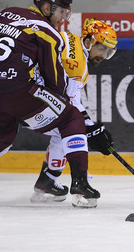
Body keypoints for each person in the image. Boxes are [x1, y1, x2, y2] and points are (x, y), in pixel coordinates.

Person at [0, 0, 99, 208]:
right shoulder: (49, 32)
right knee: (71, 117)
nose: (62, 18)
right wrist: (60, 101)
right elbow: (55, 82)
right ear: (47, 8)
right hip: (17, 91)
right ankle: (80, 185)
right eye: (61, 12)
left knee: (0, 135)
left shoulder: (5, 14)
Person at [31, 19, 118, 205]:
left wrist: (92, 127)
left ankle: (47, 181)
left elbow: (70, 102)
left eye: (108, 52)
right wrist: (92, 129)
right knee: (71, 128)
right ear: (89, 41)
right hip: (31, 99)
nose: (104, 55)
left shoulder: (73, 42)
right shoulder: (77, 63)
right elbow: (68, 104)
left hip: (30, 93)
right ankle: (78, 184)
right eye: (102, 48)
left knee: (64, 129)